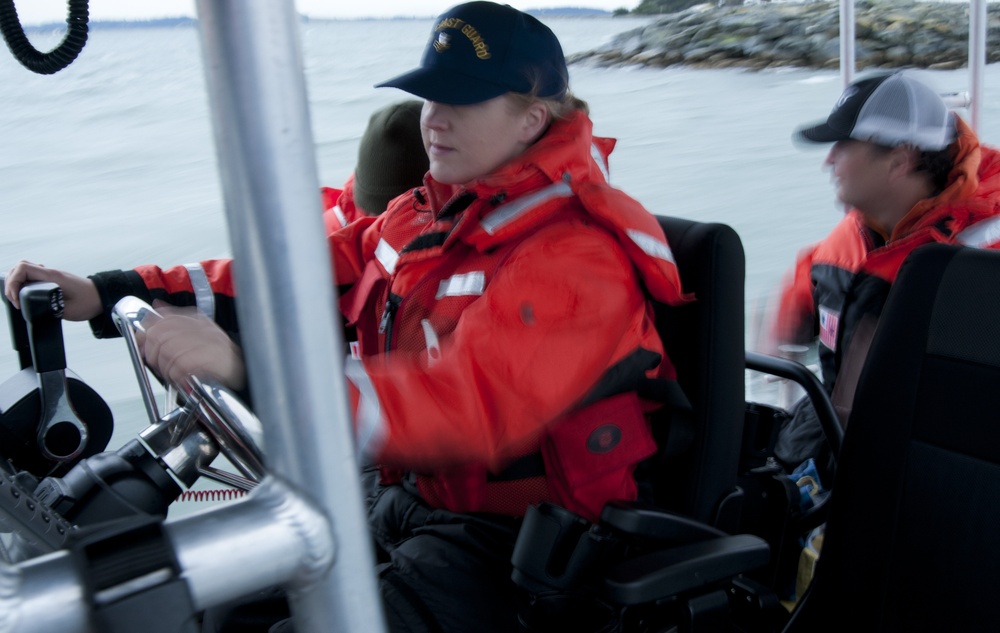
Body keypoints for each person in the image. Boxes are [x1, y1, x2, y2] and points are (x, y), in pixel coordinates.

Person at [8, 3, 688, 631]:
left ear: (531, 120)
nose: (434, 118)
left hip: (518, 545)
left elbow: (466, 405)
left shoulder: (576, 256)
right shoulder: (418, 218)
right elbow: (281, 282)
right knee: (216, 606)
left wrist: (252, 373)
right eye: (429, 96)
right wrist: (105, 291)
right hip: (403, 501)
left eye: (461, 99)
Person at [4, 98, 428, 366]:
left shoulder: (458, 272)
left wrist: (240, 374)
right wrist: (103, 292)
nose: (377, 234)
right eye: (370, 221)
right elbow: (238, 283)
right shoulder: (331, 245)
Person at [771, 71, 1000, 470]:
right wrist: (786, 321)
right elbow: (814, 278)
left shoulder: (986, 255)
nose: (828, 160)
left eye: (843, 146)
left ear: (899, 160)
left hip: (934, 470)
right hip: (840, 442)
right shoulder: (864, 227)